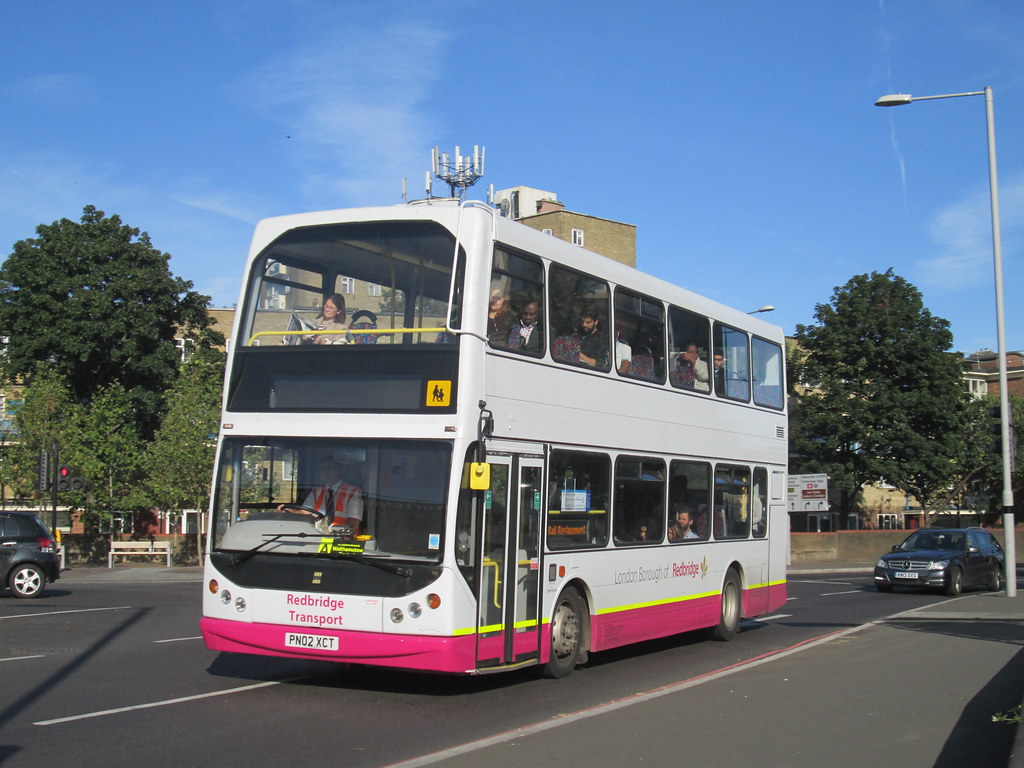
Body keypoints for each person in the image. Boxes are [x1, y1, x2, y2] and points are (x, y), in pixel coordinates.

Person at [279, 458, 364, 534]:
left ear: (339, 471)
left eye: (329, 468)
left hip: (342, 542)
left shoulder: (352, 492)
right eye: (323, 469)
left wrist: (341, 534)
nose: (326, 472)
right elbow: (304, 513)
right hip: (317, 538)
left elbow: (354, 522)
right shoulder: (317, 491)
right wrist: (290, 510)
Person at [577, 304, 608, 368]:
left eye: (588, 322)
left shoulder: (601, 340)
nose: (584, 325)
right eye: (583, 321)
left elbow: (601, 365)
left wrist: (581, 357)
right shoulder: (576, 333)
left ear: (596, 322)